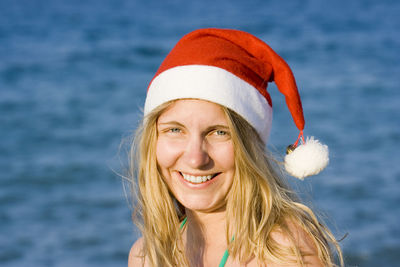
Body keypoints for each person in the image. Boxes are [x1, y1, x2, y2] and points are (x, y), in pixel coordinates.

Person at [127, 28, 343, 266]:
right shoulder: (146, 255)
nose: (195, 158)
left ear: (249, 147)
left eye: (219, 132)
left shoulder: (284, 254)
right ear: (152, 142)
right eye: (175, 130)